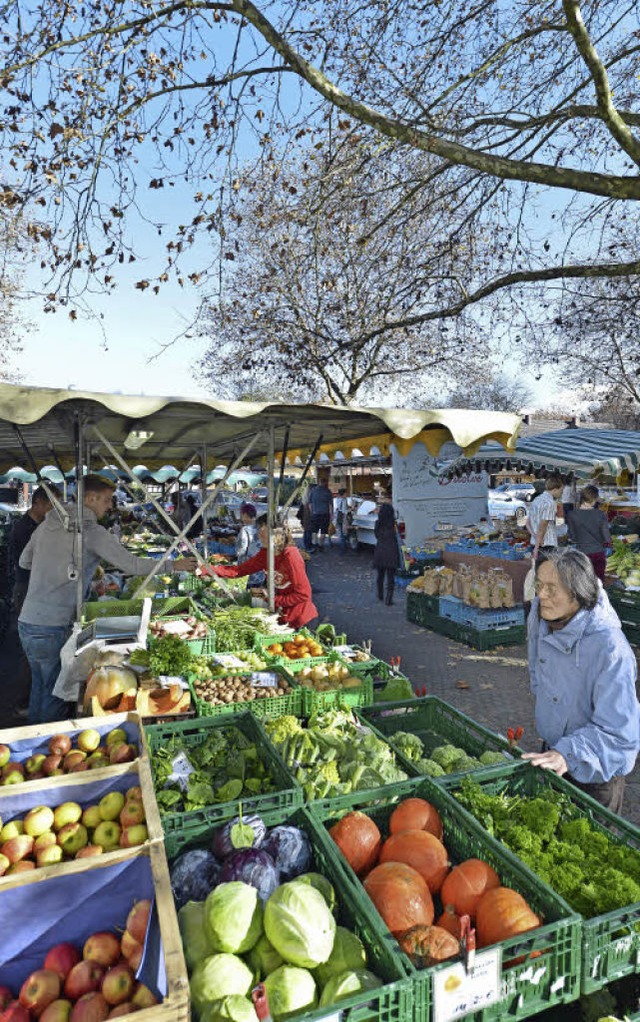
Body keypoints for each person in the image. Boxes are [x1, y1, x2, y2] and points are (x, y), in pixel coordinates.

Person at [18, 474, 197, 725]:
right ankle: (43, 740)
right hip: (53, 625)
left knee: (41, 686)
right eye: (107, 500)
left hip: (27, 621)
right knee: (55, 695)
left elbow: (24, 561)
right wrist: (174, 564)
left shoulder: (47, 524)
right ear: (90, 498)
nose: (110, 506)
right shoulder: (91, 531)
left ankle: (30, 735)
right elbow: (132, 564)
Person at [522, 549, 640, 814]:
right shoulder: (541, 619)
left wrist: (569, 753)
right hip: (552, 757)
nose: (541, 595)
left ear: (578, 593)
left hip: (595, 773)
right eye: (539, 585)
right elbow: (537, 676)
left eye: (552, 588)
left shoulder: (610, 650)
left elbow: (619, 733)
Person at [209, 515, 318, 629]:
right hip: (283, 615)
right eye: (258, 527)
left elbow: (303, 594)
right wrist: (209, 569)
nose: (259, 532)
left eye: (262, 527)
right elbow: (239, 570)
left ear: (276, 532)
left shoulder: (290, 556)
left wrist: (273, 600)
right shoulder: (266, 553)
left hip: (300, 618)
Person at [7, 485, 58, 616]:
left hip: (41, 586)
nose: (55, 510)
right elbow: (32, 560)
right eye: (52, 505)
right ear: (39, 502)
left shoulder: (44, 525)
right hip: (27, 587)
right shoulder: (23, 528)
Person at [567, 484, 611, 582]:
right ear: (593, 499)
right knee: (598, 584)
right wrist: (608, 546)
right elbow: (607, 537)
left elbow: (572, 536)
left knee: (583, 584)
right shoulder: (600, 514)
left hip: (581, 554)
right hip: (598, 553)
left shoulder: (571, 514)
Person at [527, 473, 563, 560]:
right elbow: (543, 526)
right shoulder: (550, 503)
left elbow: (528, 522)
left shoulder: (536, 499)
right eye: (561, 491)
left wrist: (534, 536)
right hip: (546, 545)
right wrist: (536, 548)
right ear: (554, 490)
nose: (561, 493)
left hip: (535, 542)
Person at [373, 501, 400, 606]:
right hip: (392, 551)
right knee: (391, 577)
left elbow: (377, 535)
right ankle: (389, 599)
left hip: (380, 551)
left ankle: (380, 595)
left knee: (380, 575)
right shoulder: (394, 524)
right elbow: (398, 537)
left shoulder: (378, 523)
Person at [235, 502, 265, 588]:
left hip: (248, 570)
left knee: (247, 597)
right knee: (258, 596)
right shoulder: (261, 527)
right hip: (260, 570)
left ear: (245, 514)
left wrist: (235, 554)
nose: (242, 518)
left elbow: (241, 550)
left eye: (242, 515)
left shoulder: (245, 529)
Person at [308, 477, 333, 552]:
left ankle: (314, 545)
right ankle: (321, 546)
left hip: (315, 514)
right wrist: (331, 515)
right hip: (325, 514)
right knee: (323, 531)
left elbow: (310, 504)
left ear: (319, 482)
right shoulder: (327, 491)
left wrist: (312, 512)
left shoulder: (313, 491)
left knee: (314, 531)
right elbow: (330, 505)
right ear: (325, 483)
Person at [334, 487, 350, 553]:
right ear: (343, 494)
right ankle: (343, 549)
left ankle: (343, 547)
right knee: (343, 534)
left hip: (338, 517)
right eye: (346, 493)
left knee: (342, 533)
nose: (347, 494)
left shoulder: (337, 499)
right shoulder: (343, 500)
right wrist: (350, 509)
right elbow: (344, 510)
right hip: (343, 518)